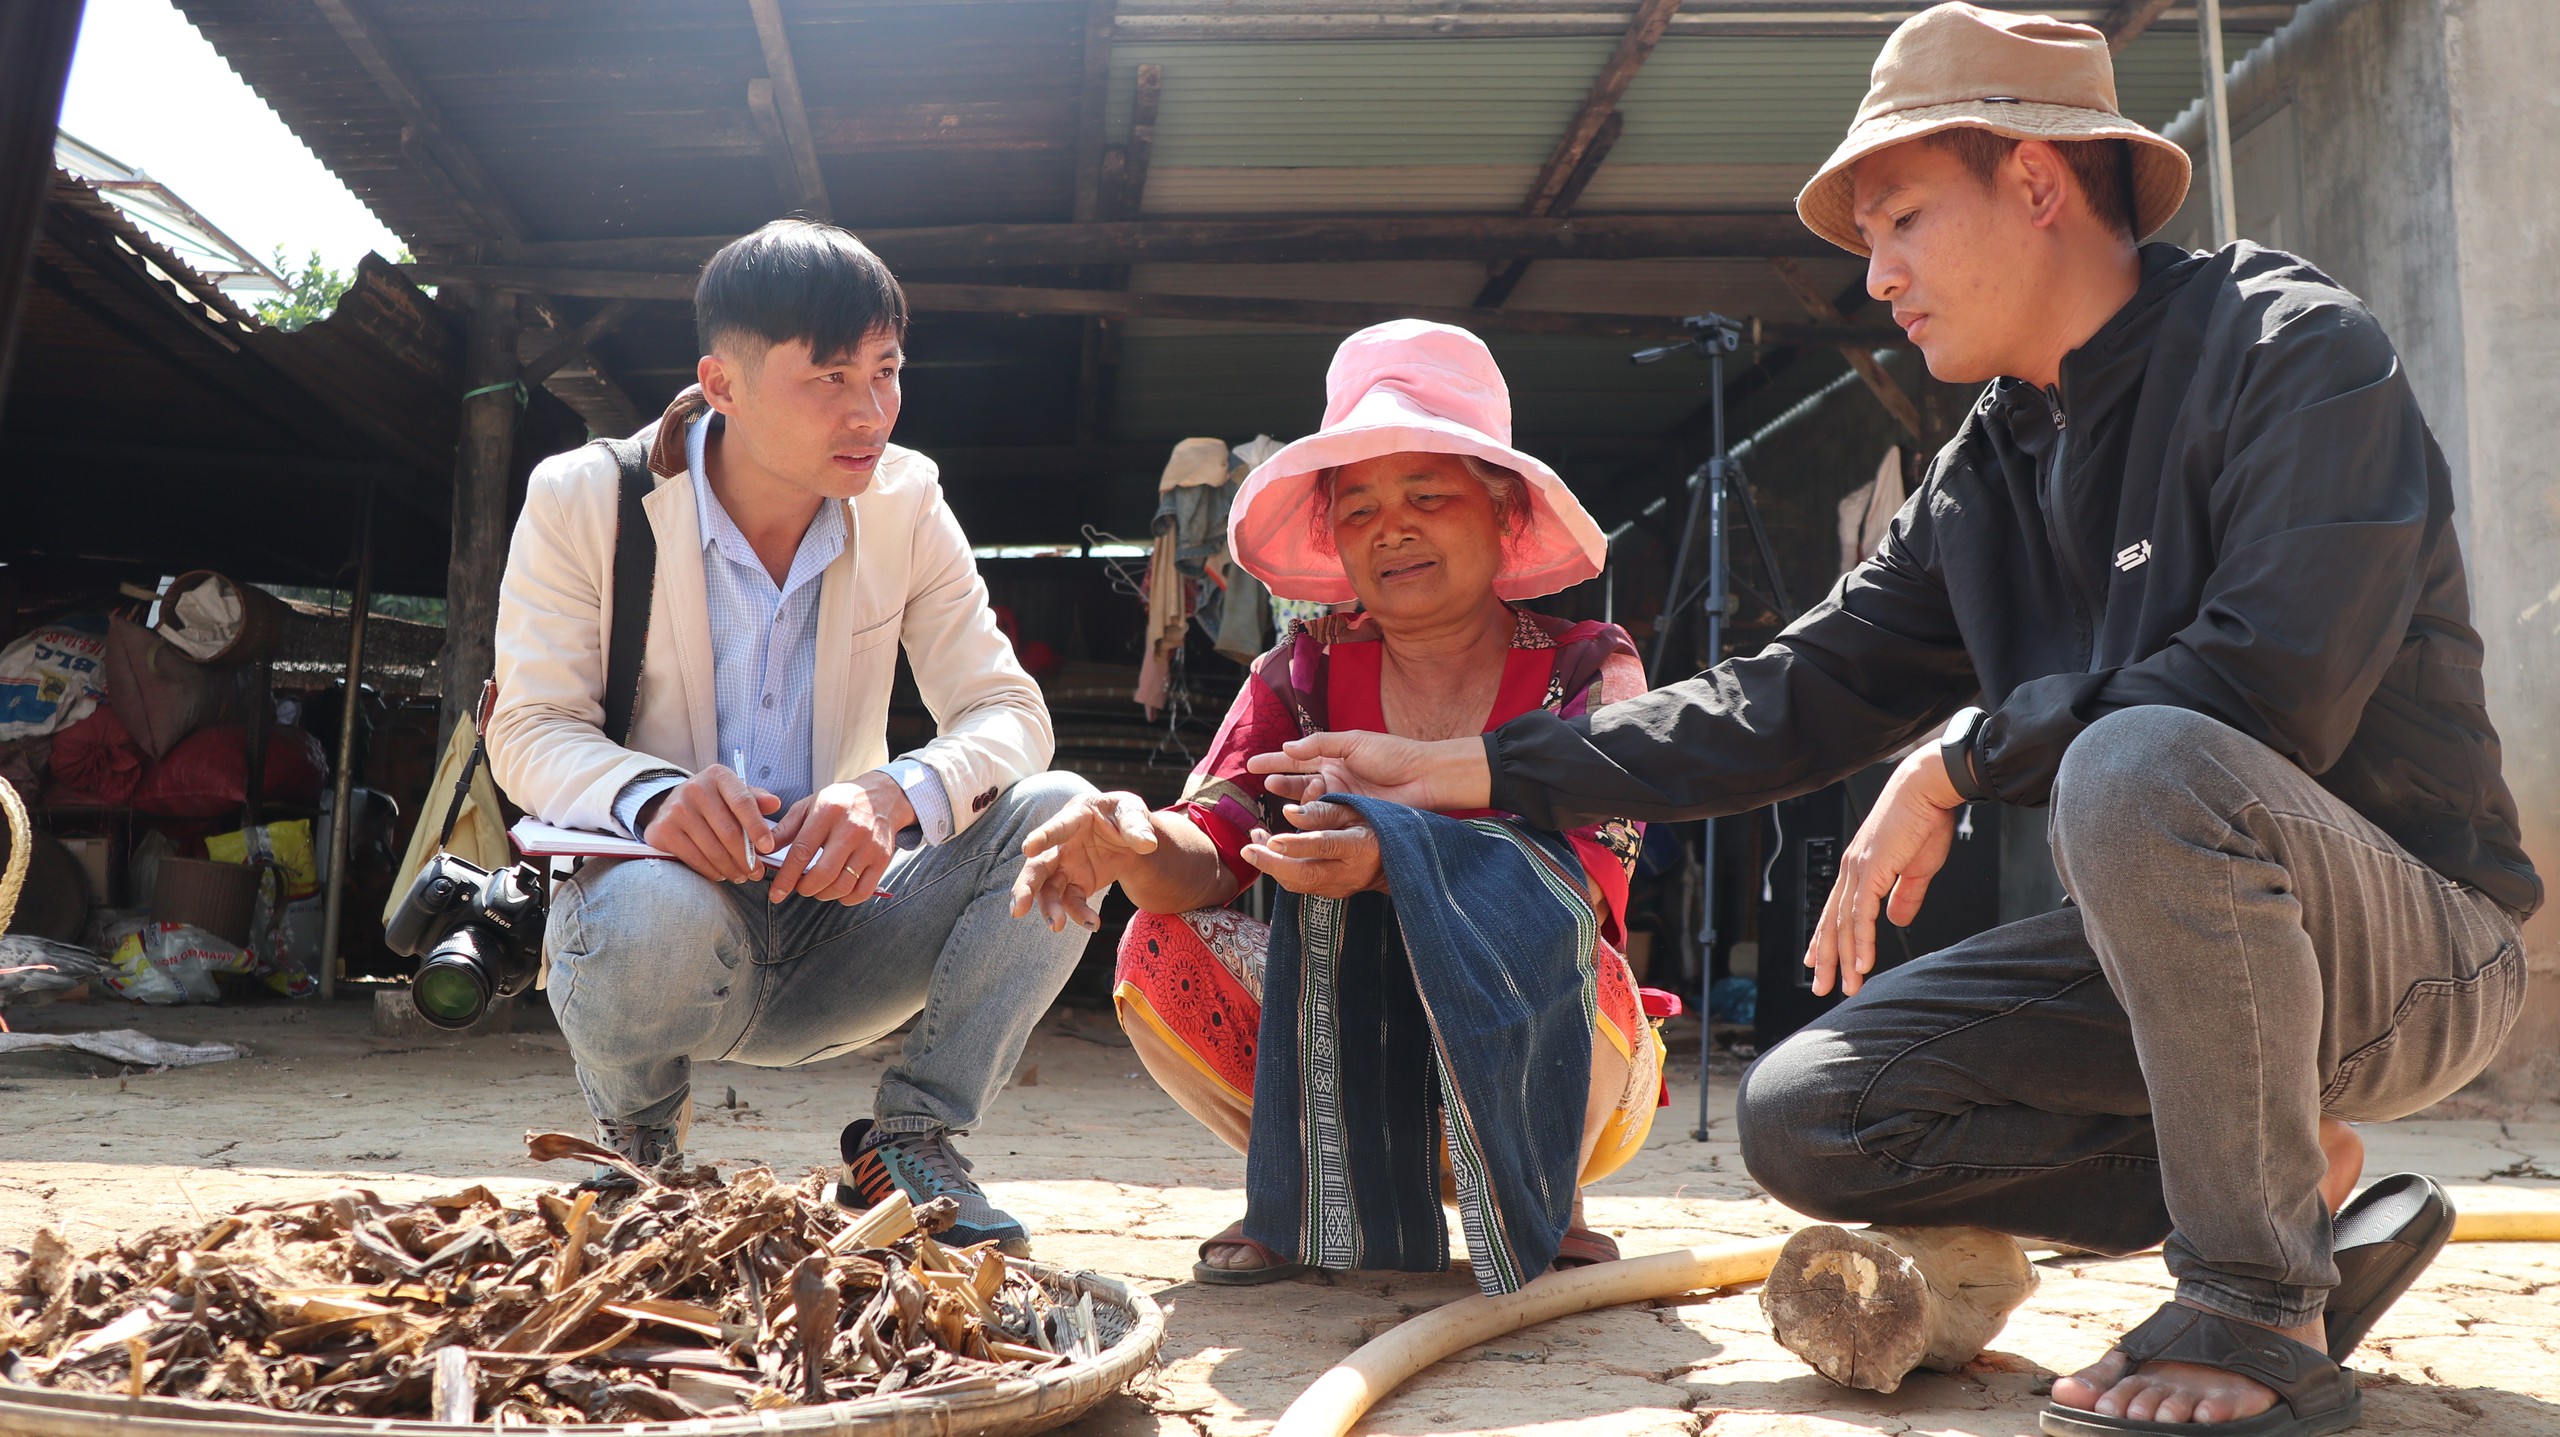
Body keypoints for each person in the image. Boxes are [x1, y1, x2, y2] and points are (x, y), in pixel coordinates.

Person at [1244, 7, 2539, 1434]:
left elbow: (2271, 680)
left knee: (2143, 752)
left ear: (2038, 184)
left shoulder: (2293, 352)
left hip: (2414, 946)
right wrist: (1478, 764)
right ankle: (2291, 1187)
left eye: (1904, 220)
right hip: (2184, 967)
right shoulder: (1989, 466)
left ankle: (2251, 1294)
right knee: (1811, 1112)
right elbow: (1786, 697)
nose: (1879, 277)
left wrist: (1960, 758)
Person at [1010, 320, 1668, 1295]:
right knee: (1158, 944)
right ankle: (1298, 1186)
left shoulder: (1584, 665)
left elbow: (1583, 871)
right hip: (1344, 1080)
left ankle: (1546, 1193)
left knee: (1578, 941)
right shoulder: (1303, 670)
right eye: (1356, 510)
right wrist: (1133, 835)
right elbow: (1216, 840)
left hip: (1558, 1067)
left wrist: (1391, 851)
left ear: (1500, 513)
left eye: (1427, 496)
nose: (1390, 527)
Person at [487, 219, 1095, 1253]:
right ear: (720, 384)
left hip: (845, 922)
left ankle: (910, 1142)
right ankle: (637, 1145)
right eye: (829, 377)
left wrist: (894, 793)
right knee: (644, 904)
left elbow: (1009, 713)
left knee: (1066, 818)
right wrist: (654, 798)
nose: (869, 411)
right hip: (660, 923)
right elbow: (531, 729)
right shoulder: (587, 495)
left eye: (886, 371)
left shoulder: (906, 499)